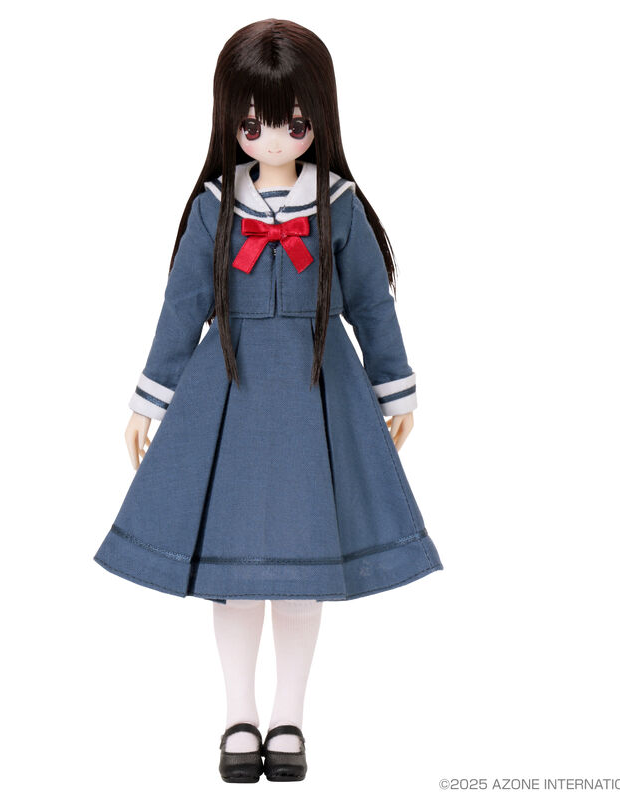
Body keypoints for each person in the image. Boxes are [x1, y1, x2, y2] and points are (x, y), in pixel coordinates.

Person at [93, 18, 443, 782]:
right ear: (231, 122)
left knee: (303, 570)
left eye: (293, 122)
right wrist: (150, 399)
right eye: (254, 124)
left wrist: (394, 387)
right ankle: (237, 715)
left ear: (319, 119)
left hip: (319, 398)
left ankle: (289, 716)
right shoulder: (215, 207)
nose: (275, 138)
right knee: (232, 578)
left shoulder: (339, 205)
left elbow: (371, 305)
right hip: (231, 397)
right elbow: (182, 307)